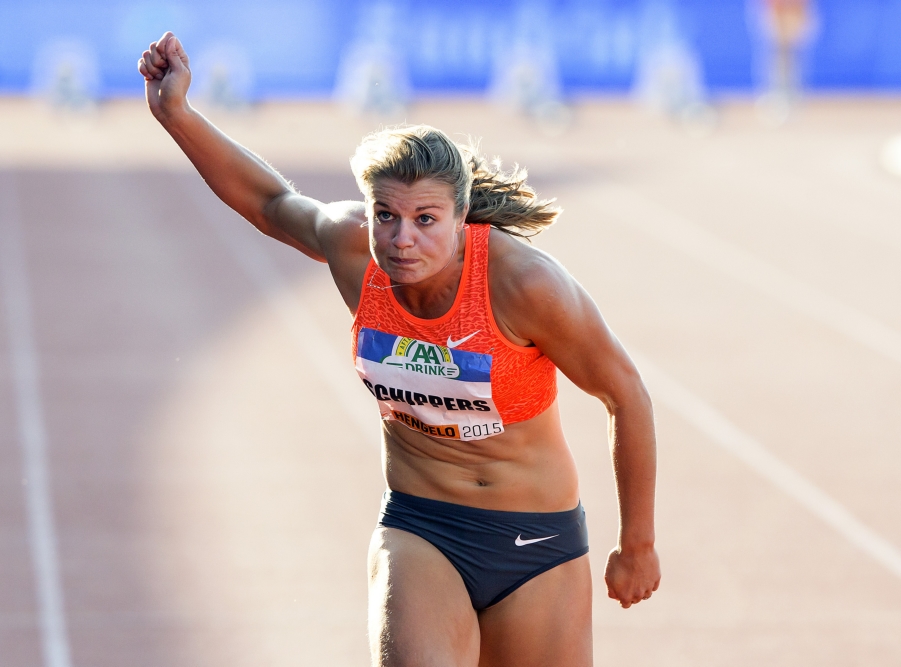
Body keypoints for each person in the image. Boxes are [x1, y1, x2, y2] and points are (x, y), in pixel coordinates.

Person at [139, 32, 660, 667]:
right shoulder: (354, 249)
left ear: (461, 214)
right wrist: (178, 115)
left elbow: (625, 394)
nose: (402, 239)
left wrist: (637, 544)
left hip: (535, 543)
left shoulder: (524, 285)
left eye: (426, 219)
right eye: (386, 214)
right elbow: (271, 203)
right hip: (424, 526)